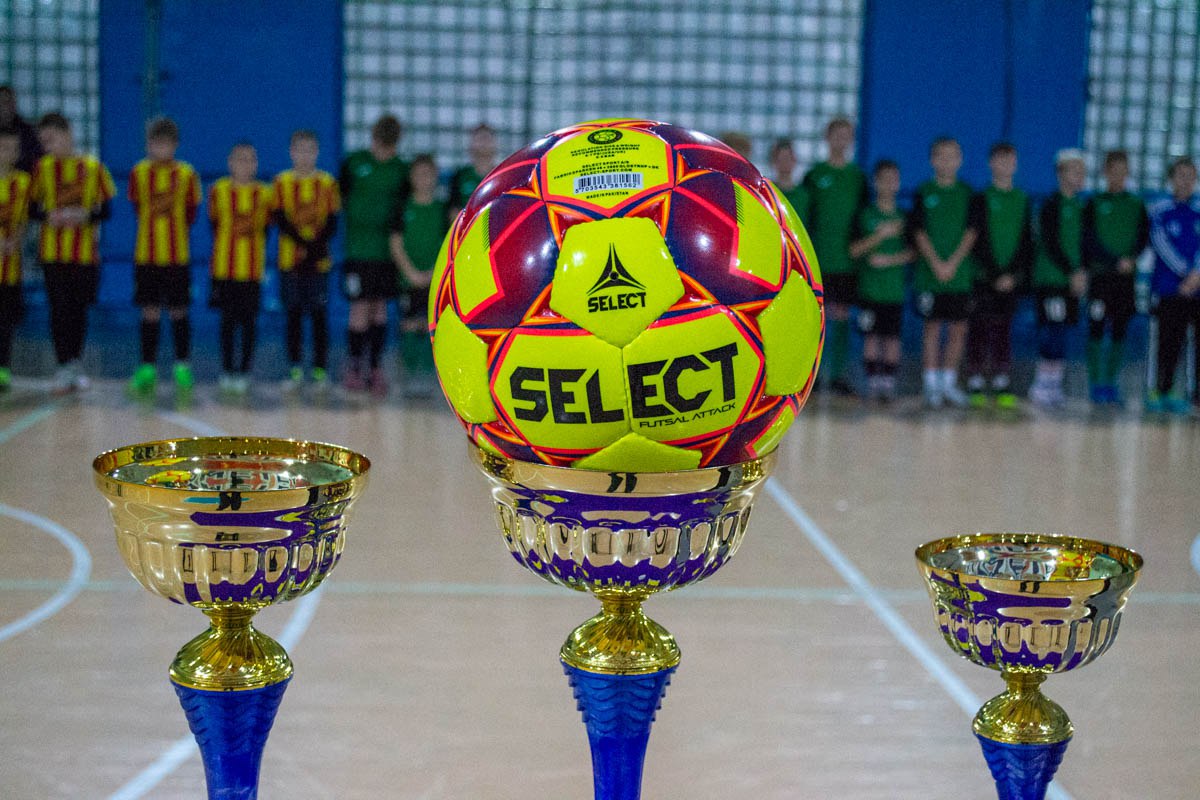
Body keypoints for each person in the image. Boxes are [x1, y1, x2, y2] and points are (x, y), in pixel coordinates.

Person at [29, 113, 115, 394]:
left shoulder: (92, 167)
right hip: (52, 253)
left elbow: (106, 210)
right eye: (44, 142)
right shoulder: (42, 168)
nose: (48, 146)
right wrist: (48, 216)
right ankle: (63, 364)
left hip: (84, 253)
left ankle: (75, 363)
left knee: (78, 309)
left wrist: (85, 215)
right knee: (59, 308)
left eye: (51, 139)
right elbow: (31, 208)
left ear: (67, 134)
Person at [127, 117, 202, 396]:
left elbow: (191, 213)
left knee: (179, 310)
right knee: (149, 311)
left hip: (177, 257)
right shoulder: (139, 173)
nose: (160, 149)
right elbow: (137, 207)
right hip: (146, 256)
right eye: (155, 144)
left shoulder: (187, 174)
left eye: (166, 144)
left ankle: (182, 365)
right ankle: (147, 367)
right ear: (148, 144)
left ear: (175, 145)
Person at [339, 115, 408, 395]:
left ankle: (376, 367)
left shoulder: (400, 170)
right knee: (359, 308)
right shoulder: (354, 163)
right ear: (374, 137)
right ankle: (355, 366)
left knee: (379, 309)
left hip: (386, 253)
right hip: (358, 251)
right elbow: (340, 198)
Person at [909, 136, 978, 408]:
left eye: (953, 156)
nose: (947, 161)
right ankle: (931, 385)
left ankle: (948, 383)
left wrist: (953, 264)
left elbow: (971, 232)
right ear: (932, 160)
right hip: (930, 275)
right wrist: (937, 263)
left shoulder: (968, 193)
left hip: (959, 276)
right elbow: (918, 231)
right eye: (941, 155)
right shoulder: (923, 192)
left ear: (960, 160)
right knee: (932, 328)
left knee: (959, 329)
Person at [802, 117, 869, 395]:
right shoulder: (814, 176)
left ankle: (838, 374)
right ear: (827, 137)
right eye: (837, 134)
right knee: (816, 317)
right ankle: (813, 376)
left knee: (841, 315)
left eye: (847, 135)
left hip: (847, 261)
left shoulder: (858, 178)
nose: (841, 139)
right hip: (818, 259)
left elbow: (864, 218)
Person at [964, 142, 1034, 408]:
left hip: (1010, 280)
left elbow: (1026, 241)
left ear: (1015, 165)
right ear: (991, 164)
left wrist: (1012, 275)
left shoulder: (1022, 199)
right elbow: (977, 240)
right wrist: (994, 274)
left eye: (1010, 161)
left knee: (1004, 328)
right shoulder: (980, 198)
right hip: (984, 278)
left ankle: (1002, 379)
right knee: (979, 327)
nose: (1005, 166)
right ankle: (975, 379)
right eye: (1000, 160)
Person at [272, 129, 340, 392]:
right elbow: (281, 220)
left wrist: (313, 249)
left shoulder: (327, 183)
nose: (304, 155)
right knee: (293, 315)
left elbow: (332, 222)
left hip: (319, 262)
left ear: (317, 152)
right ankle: (295, 369)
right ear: (291, 152)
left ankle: (320, 370)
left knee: (319, 315)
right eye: (299, 150)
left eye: (310, 150)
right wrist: (304, 245)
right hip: (290, 262)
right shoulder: (281, 183)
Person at [1081, 150, 1149, 404]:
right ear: (1105, 172)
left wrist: (1131, 259)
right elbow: (1088, 239)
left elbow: (1143, 237)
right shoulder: (1094, 203)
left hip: (1125, 280)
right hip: (1101, 278)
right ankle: (1095, 382)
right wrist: (1113, 261)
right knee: (1097, 327)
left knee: (1120, 328)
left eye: (1123, 171)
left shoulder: (1136, 204)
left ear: (1128, 172)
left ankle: (1111, 382)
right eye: (1114, 170)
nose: (1118, 175)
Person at [208, 142, 274, 395]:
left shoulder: (265, 194)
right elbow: (214, 224)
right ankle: (227, 370)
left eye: (250, 160)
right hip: (224, 269)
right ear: (230, 162)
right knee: (227, 321)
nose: (245, 165)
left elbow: (266, 228)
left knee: (248, 322)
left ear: (256, 164)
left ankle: (244, 371)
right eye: (240, 159)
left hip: (252, 271)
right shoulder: (218, 190)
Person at [849, 159, 911, 403]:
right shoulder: (865, 214)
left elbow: (913, 252)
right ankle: (873, 384)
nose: (889, 184)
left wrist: (889, 260)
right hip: (869, 289)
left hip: (894, 291)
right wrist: (879, 235)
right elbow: (854, 250)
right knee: (871, 336)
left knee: (892, 337)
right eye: (884, 179)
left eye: (893, 179)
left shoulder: (904, 217)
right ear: (875, 182)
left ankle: (888, 384)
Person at [1030, 149, 1088, 408]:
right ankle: (1041, 385)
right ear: (1060, 173)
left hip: (1072, 282)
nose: (1080, 176)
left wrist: (1082, 272)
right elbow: (1051, 243)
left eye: (1082, 171)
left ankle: (1054, 386)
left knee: (1063, 331)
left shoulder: (1080, 206)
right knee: (1052, 331)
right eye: (1074, 170)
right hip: (1052, 280)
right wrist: (1071, 271)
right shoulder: (1051, 205)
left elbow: (1084, 245)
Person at [391, 154, 450, 393]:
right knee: (409, 323)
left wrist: (435, 273)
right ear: (411, 177)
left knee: (431, 325)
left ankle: (429, 379)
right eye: (419, 174)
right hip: (408, 278)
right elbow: (396, 243)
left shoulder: (442, 209)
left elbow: (449, 242)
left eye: (428, 174)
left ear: (435, 177)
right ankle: (409, 377)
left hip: (435, 279)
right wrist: (411, 273)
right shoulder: (403, 208)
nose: (423, 179)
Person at [1145, 156, 1200, 414]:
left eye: (1190, 176)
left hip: (1197, 289)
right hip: (1170, 288)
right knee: (1168, 341)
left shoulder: (1198, 210)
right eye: (1181, 175)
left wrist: (1197, 274)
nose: (1185, 181)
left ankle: (1194, 393)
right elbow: (1160, 242)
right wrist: (1185, 273)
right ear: (1171, 178)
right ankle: (1160, 389)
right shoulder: (1160, 210)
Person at [0, 128, 31, 393]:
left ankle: (3, 369)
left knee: (6, 319)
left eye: (14, 149)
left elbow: (25, 219)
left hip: (9, 266)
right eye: (4, 148)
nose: (9, 154)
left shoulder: (23, 182)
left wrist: (15, 241)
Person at [447, 123, 498, 219]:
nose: (483, 143)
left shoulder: (503, 176)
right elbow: (453, 213)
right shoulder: (459, 176)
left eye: (487, 138)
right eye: (479, 139)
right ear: (470, 145)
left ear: (495, 145)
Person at [0, 85, 42, 174]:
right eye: (2, 102)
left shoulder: (28, 132)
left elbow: (37, 160)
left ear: (15, 104)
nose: (5, 107)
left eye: (8, 102)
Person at [769, 138, 810, 222]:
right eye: (781, 159)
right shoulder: (768, 193)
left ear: (794, 160)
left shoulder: (804, 195)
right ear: (774, 161)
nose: (784, 163)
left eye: (787, 158)